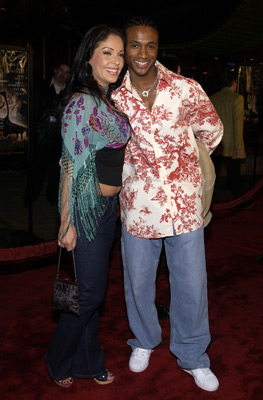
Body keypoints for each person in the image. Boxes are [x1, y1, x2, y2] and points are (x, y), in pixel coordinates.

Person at [112, 16, 223, 392]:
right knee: (139, 282)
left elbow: (212, 128)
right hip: (138, 205)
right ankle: (143, 340)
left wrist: (187, 166)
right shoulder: (113, 96)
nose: (142, 53)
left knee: (191, 284)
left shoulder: (185, 88)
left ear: (158, 49)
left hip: (185, 205)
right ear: (124, 47)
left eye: (150, 46)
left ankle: (192, 355)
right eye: (134, 45)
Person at [45, 25, 131, 388]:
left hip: (106, 211)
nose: (116, 60)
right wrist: (67, 223)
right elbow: (69, 165)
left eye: (120, 53)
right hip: (87, 209)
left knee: (91, 293)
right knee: (92, 293)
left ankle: (88, 360)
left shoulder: (105, 98)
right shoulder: (82, 101)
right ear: (89, 56)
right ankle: (56, 358)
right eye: (107, 52)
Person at [23, 63, 70, 206]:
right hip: (40, 136)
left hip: (58, 138)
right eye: (61, 70)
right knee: (37, 169)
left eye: (66, 72)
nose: (63, 74)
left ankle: (53, 199)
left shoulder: (69, 93)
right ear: (55, 71)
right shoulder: (41, 88)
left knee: (56, 172)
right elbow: (32, 110)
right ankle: (29, 198)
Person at [210, 70, 246, 201]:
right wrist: (239, 148)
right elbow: (238, 126)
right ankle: (239, 203)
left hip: (215, 144)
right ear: (234, 82)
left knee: (211, 178)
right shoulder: (237, 98)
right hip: (230, 147)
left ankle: (208, 204)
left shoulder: (213, 97)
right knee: (235, 178)